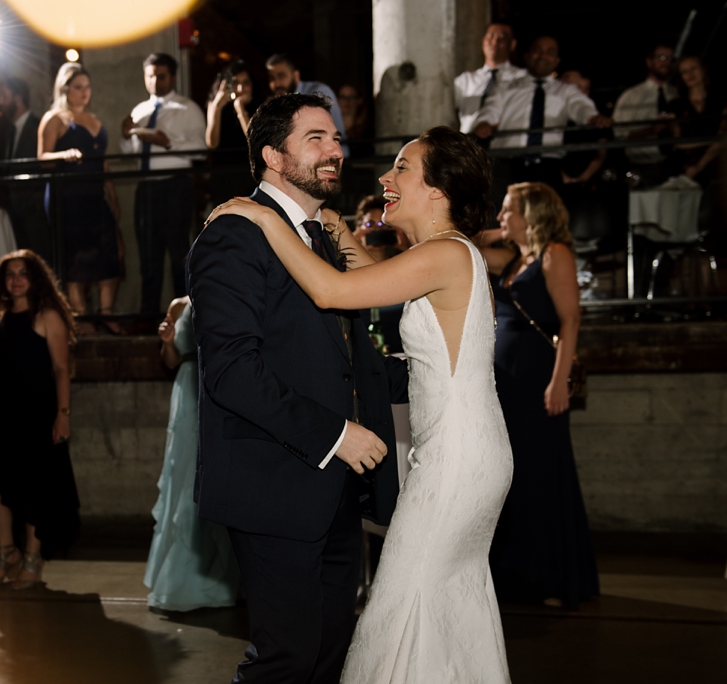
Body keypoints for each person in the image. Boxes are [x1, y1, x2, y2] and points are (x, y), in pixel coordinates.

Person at [206, 124, 513, 681]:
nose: (384, 177)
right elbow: (370, 274)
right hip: (466, 450)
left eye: (401, 168)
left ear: (438, 190)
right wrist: (335, 226)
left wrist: (266, 220)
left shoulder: (444, 255)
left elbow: (334, 291)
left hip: (455, 459)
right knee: (441, 600)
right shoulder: (447, 256)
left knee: (407, 595)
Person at [189, 93, 408, 683]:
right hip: (273, 482)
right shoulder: (234, 234)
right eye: (315, 138)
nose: (334, 150)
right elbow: (232, 371)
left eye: (335, 138)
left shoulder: (324, 235)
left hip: (337, 489)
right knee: (284, 661)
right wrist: (336, 434)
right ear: (271, 154)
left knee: (328, 652)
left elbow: (343, 356)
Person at [476, 182, 599, 610]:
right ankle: (517, 570)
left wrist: (559, 380)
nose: (501, 218)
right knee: (514, 475)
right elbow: (466, 245)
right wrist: (501, 234)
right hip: (506, 381)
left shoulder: (554, 254)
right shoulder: (515, 258)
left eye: (509, 211)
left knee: (542, 472)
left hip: (536, 380)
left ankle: (552, 572)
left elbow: (570, 320)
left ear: (534, 214)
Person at [0, 250, 80, 589]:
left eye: (23, 273)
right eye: (10, 274)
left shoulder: (47, 315)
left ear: (35, 278)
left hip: (36, 413)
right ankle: (8, 552)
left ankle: (33, 560)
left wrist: (62, 415)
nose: (16, 279)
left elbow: (62, 370)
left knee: (36, 490)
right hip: (1, 414)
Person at [143, 296, 240, 612]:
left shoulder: (232, 290)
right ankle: (183, 580)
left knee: (220, 478)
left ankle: (227, 579)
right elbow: (170, 361)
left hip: (221, 386)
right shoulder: (178, 305)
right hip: (187, 393)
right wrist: (167, 342)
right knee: (184, 477)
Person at [120, 53, 207, 316]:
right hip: (146, 187)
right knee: (148, 255)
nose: (155, 82)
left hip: (175, 186)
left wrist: (168, 143)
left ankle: (183, 317)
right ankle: (148, 316)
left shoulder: (188, 108)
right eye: (150, 76)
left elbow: (201, 150)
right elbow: (127, 153)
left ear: (173, 77)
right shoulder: (139, 110)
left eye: (161, 76)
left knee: (178, 253)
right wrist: (125, 137)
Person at [40, 62, 124, 334]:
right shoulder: (54, 118)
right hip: (68, 198)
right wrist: (63, 156)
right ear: (65, 88)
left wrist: (112, 195)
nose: (84, 92)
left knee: (110, 253)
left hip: (94, 195)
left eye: (87, 87)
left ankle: (107, 314)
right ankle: (82, 319)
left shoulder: (95, 120)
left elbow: (103, 164)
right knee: (76, 259)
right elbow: (42, 157)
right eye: (78, 87)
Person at [473, 36, 612, 189]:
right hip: (506, 161)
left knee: (545, 212)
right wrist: (484, 123)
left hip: (547, 164)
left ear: (557, 60)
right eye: (537, 50)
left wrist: (593, 117)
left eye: (549, 52)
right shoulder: (505, 87)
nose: (542, 56)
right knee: (499, 210)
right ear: (526, 56)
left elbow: (581, 107)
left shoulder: (566, 90)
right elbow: (490, 109)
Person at [612, 42, 678, 187]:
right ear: (649, 62)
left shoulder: (676, 93)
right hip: (642, 167)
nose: (666, 62)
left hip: (676, 165)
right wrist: (651, 130)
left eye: (670, 59)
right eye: (661, 57)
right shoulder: (631, 96)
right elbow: (618, 134)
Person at [0, 76, 50, 260]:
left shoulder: (38, 128)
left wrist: (35, 202)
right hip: (16, 211)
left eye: (4, 96)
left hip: (34, 212)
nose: (0, 102)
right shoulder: (11, 132)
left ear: (18, 99)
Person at [266, 53, 350, 157]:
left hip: (334, 159)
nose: (276, 83)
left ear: (296, 76)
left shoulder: (318, 92)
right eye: (272, 78)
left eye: (281, 76)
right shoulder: (279, 102)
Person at [454, 23, 528, 134]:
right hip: (468, 144)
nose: (494, 42)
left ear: (512, 44)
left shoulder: (523, 78)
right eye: (490, 36)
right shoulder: (465, 80)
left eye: (502, 38)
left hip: (504, 143)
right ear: (483, 41)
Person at [205, 60, 259, 205]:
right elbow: (212, 143)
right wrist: (217, 107)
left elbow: (254, 140)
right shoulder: (216, 104)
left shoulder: (260, 106)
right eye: (235, 82)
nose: (241, 88)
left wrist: (240, 109)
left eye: (246, 83)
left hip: (250, 173)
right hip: (224, 173)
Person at [668, 55, 726, 186]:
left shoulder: (720, 101)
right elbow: (677, 141)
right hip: (685, 167)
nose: (690, 74)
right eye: (684, 72)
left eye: (693, 68)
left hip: (717, 167)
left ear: (703, 70)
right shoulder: (675, 105)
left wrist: (699, 166)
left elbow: (723, 138)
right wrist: (712, 140)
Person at [352, 194, 410, 263]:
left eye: (381, 224)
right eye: (370, 224)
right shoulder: (347, 263)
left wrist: (407, 248)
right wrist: (351, 243)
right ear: (359, 227)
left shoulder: (400, 261)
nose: (377, 229)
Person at [337, 84, 371, 157]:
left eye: (351, 97)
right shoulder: (331, 127)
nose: (347, 101)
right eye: (343, 97)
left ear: (359, 100)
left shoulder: (367, 130)